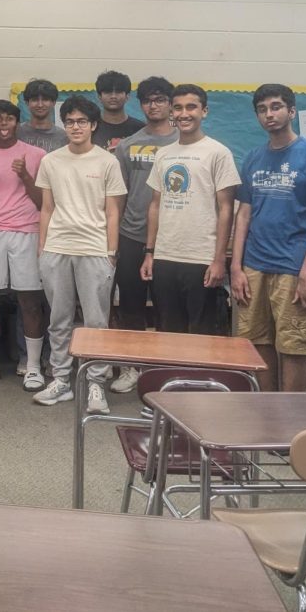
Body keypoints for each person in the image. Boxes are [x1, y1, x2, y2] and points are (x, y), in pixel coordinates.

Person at [231, 84, 306, 392]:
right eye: (263, 109)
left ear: (291, 111)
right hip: (255, 267)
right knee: (257, 343)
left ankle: (291, 425)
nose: (270, 114)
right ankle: (268, 417)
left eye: (276, 107)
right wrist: (236, 268)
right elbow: (244, 215)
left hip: (295, 269)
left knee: (293, 348)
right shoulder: (253, 158)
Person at [33, 95, 126, 414]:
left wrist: (111, 253)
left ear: (93, 125)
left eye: (82, 121)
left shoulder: (107, 161)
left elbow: (113, 212)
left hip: (95, 250)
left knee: (96, 321)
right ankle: (60, 380)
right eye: (70, 121)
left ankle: (96, 384)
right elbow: (46, 208)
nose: (75, 127)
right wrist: (42, 250)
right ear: (64, 125)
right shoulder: (51, 161)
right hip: (57, 248)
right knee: (58, 320)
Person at [140, 84, 241, 338]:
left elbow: (226, 208)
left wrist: (219, 259)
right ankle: (172, 378)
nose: (184, 114)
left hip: (202, 260)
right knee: (168, 330)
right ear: (172, 112)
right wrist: (150, 253)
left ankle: (201, 379)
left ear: (204, 111)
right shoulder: (164, 154)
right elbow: (155, 204)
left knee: (202, 332)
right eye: (178, 108)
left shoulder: (218, 153)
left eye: (191, 107)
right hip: (165, 258)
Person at [0, 100, 46, 389]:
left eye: (9, 119)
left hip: (27, 232)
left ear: (18, 122)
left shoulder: (36, 154)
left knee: (29, 300)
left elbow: (43, 202)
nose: (4, 125)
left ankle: (33, 366)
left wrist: (26, 176)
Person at [110, 76, 176, 392]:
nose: (154, 105)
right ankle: (132, 368)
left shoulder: (184, 143)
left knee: (167, 307)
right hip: (132, 235)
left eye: (160, 99)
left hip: (173, 239)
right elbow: (118, 195)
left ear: (170, 103)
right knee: (131, 306)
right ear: (141, 104)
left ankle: (163, 369)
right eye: (148, 100)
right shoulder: (128, 145)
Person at [92, 71, 144, 151]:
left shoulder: (140, 129)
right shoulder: (90, 128)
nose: (113, 96)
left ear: (127, 96)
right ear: (99, 97)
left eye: (118, 92)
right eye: (108, 92)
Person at [16, 79, 69, 153]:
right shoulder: (17, 133)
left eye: (45, 99)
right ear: (27, 103)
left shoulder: (64, 137)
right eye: (35, 100)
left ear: (53, 103)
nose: (40, 105)